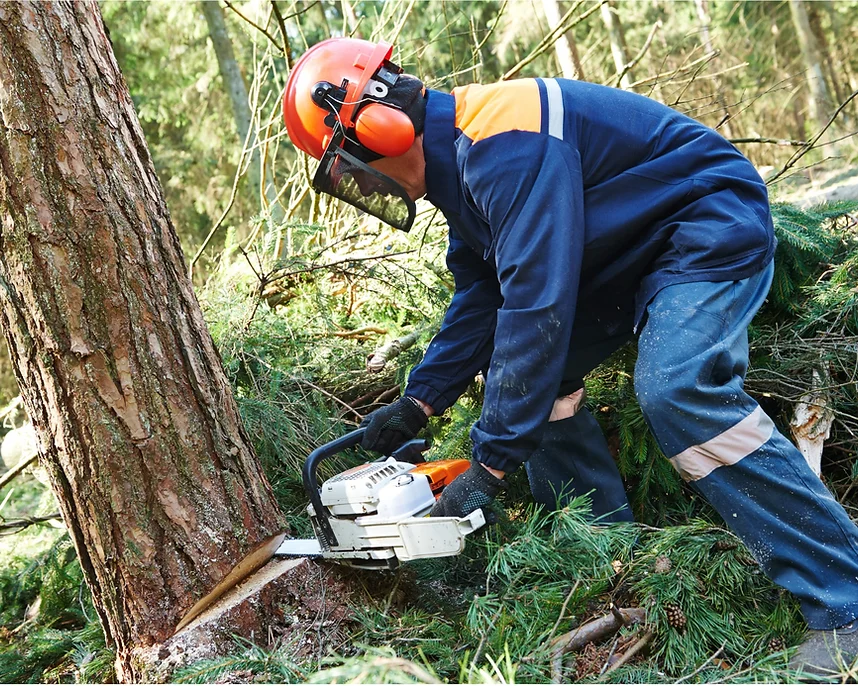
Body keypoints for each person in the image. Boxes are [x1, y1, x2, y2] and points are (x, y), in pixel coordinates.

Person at [282, 37, 858, 674]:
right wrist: (418, 402)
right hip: (622, 257)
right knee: (536, 376)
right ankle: (608, 563)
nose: (362, 181)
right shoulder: (464, 166)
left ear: (378, 128)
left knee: (676, 389)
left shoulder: (504, 141)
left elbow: (534, 304)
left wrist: (490, 466)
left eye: (350, 165)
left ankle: (845, 599)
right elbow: (483, 294)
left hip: (703, 224)